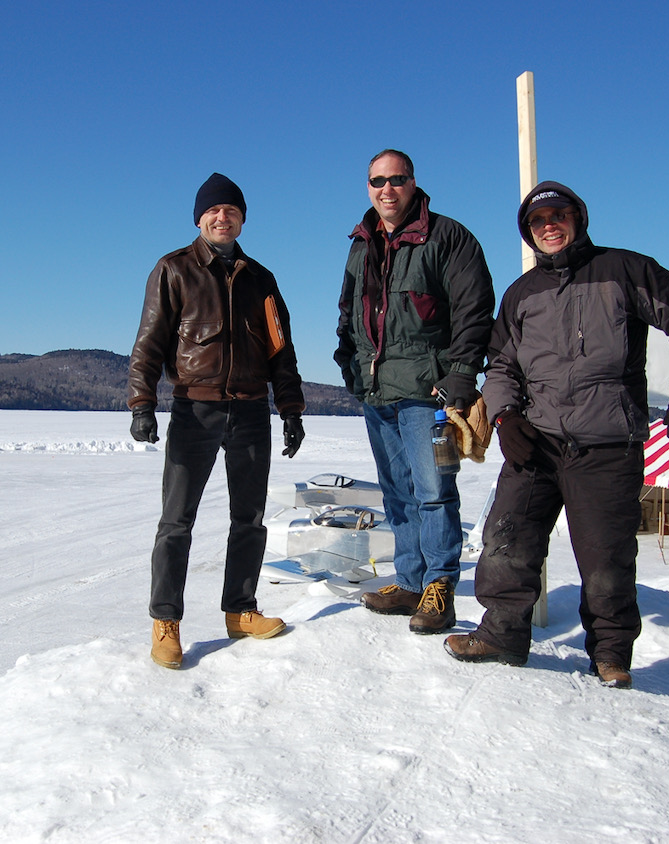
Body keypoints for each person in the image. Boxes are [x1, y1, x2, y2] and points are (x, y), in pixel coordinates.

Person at [444, 180, 669, 689]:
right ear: (528, 232)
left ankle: (610, 655)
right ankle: (502, 634)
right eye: (537, 221)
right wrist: (505, 418)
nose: (549, 226)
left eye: (558, 216)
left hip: (607, 443)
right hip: (537, 439)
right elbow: (501, 364)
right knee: (506, 539)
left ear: (578, 218)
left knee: (606, 556)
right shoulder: (523, 293)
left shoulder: (624, 270)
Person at [128, 172, 307, 670]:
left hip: (250, 411)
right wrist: (142, 403)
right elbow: (149, 343)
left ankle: (240, 610)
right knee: (176, 521)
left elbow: (281, 351)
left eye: (231, 210)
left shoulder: (261, 279)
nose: (222, 217)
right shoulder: (174, 269)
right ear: (199, 219)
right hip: (195, 409)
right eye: (213, 210)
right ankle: (166, 621)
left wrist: (291, 409)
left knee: (249, 519)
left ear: (242, 219)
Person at [335, 149, 495, 634]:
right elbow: (348, 312)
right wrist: (349, 364)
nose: (387, 189)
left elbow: (474, 309)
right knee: (397, 494)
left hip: (429, 394)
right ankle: (409, 582)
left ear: (413, 182)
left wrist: (461, 374)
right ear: (368, 187)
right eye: (377, 181)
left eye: (396, 179)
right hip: (377, 391)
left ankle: (439, 587)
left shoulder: (447, 237)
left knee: (433, 493)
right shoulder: (362, 244)